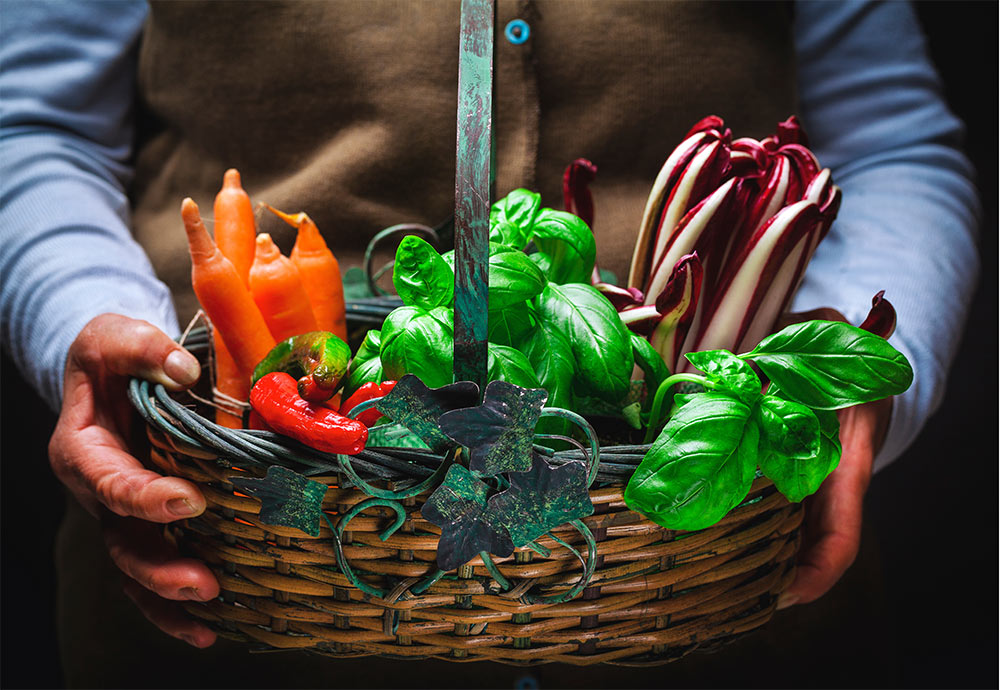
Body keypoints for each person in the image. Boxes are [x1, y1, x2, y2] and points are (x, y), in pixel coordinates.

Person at [0, 0, 980, 687]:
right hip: (238, 545)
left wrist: (864, 383)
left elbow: (889, 136)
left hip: (738, 592)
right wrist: (81, 318)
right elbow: (37, 122)